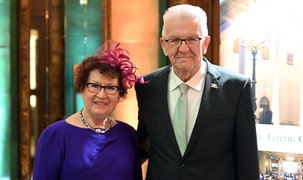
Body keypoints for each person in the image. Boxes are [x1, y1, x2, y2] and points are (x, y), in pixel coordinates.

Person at [134, 4, 259, 180]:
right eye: (175, 40)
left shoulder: (236, 88)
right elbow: (142, 146)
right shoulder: (147, 87)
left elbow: (247, 164)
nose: (183, 48)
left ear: (205, 43)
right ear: (164, 45)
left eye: (192, 39)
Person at [33, 43, 143, 180]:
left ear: (120, 94)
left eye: (110, 88)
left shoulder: (128, 134)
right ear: (82, 88)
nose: (102, 95)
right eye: (94, 86)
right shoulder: (54, 135)